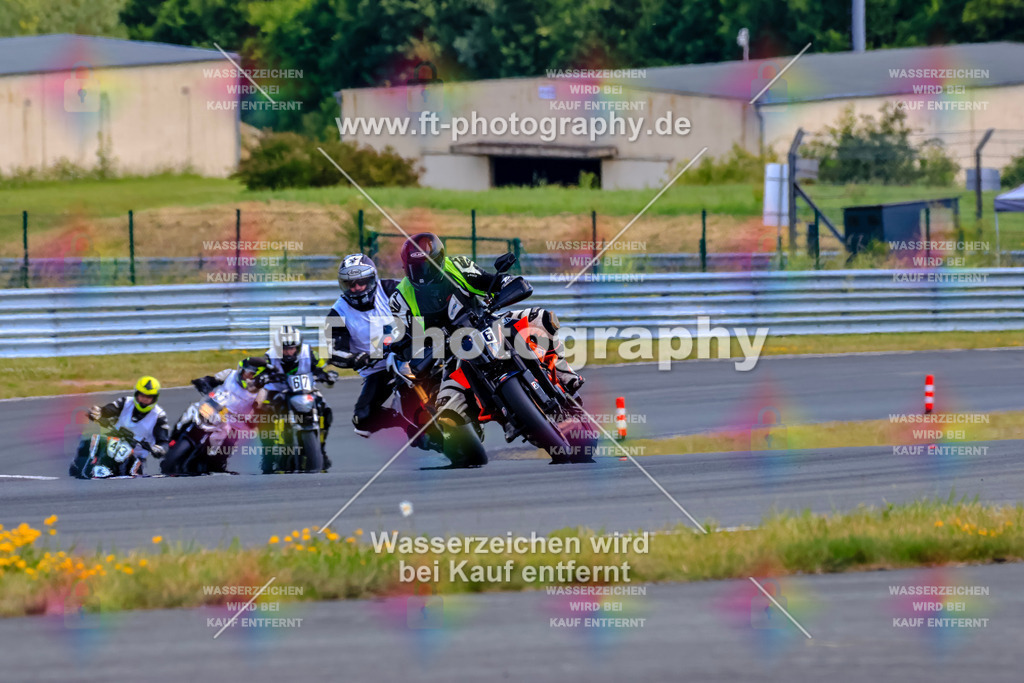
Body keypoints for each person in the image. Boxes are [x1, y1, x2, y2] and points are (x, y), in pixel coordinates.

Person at [388, 232, 583, 441]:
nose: (424, 274)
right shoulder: (400, 299)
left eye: (429, 266)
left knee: (541, 318)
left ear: (440, 259)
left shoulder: (458, 266)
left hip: (487, 322)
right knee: (447, 409)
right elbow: (407, 341)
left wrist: (506, 284)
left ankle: (565, 374)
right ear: (406, 268)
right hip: (452, 354)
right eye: (418, 268)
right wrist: (421, 351)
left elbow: (491, 281)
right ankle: (488, 425)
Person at [325, 253, 402, 437]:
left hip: (409, 353)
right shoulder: (337, 313)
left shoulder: (393, 289)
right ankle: (402, 420)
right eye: (350, 284)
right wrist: (355, 358)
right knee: (362, 420)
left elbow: (421, 307)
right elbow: (334, 351)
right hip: (378, 369)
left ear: (372, 279)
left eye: (361, 282)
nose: (356, 288)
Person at [263, 324, 337, 465]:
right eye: (285, 349)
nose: (289, 352)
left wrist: (326, 375)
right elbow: (261, 371)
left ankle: (321, 447)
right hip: (279, 390)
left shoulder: (309, 353)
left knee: (326, 409)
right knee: (264, 412)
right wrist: (265, 376)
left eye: (292, 348)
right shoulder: (269, 356)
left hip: (305, 389)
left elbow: (319, 366)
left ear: (298, 346)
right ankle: (269, 451)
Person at [71, 376, 169, 477]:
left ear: (154, 398)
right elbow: (109, 410)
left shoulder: (159, 415)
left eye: (149, 397)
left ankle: (111, 470)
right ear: (136, 394)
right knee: (91, 439)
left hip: (136, 454)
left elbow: (164, 442)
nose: (144, 399)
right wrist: (98, 412)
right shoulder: (126, 402)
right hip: (115, 440)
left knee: (126, 463)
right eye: (142, 395)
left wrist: (158, 449)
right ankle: (81, 464)